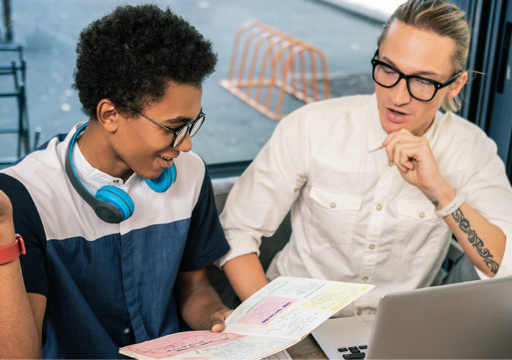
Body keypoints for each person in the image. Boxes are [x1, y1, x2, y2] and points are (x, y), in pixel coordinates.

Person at [219, 0, 512, 315]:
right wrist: (275, 320)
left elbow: (503, 266)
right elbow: (237, 231)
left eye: (423, 81)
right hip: (291, 315)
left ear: (455, 85)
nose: (397, 97)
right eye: (388, 69)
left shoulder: (472, 150)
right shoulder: (310, 127)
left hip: (391, 332)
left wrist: (439, 191)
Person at [0, 5, 231, 360]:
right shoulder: (24, 194)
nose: (185, 145)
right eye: (174, 128)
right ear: (110, 115)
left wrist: (217, 317)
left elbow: (194, 286)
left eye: (191, 125)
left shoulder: (192, 172)